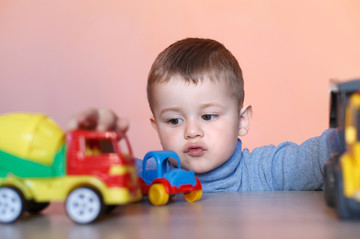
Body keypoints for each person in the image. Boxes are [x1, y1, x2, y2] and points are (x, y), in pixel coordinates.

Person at [67, 38, 344, 192]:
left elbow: (316, 156)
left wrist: (347, 136)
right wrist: (97, 140)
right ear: (156, 127)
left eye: (208, 116)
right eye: (174, 121)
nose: (191, 131)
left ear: (242, 121)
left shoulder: (265, 170)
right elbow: (104, 171)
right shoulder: (150, 176)